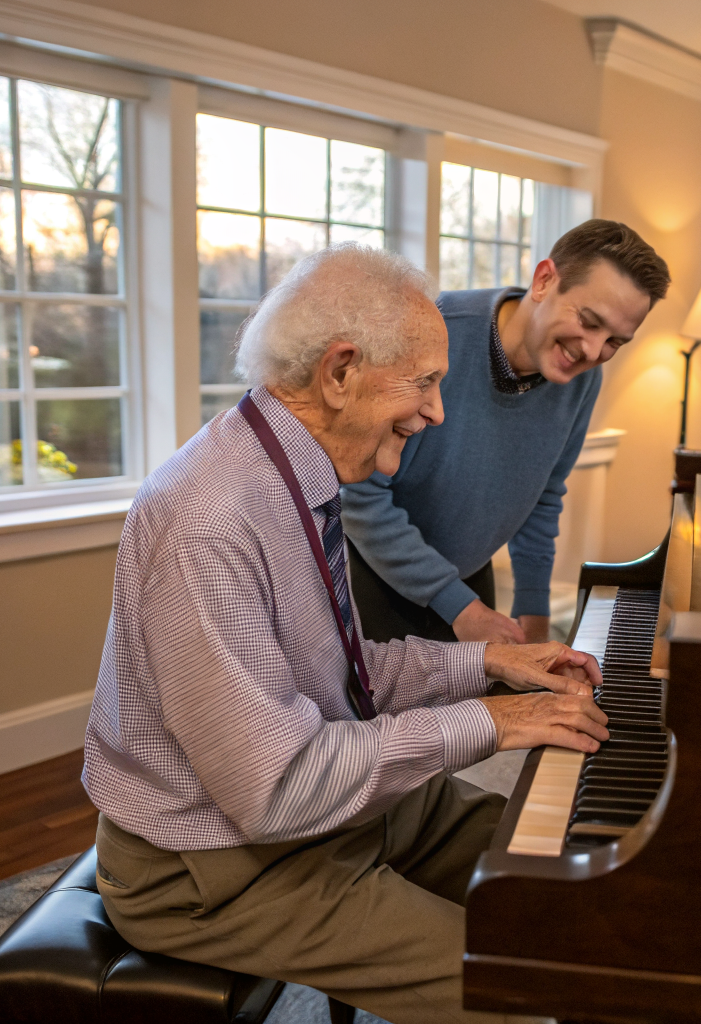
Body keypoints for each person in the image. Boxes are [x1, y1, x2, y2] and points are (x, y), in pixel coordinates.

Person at [82, 243, 610, 1024]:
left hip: (308, 816)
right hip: (214, 868)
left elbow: (339, 671)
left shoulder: (288, 470)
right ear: (339, 372)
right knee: (518, 991)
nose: (436, 411)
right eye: (425, 382)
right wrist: (492, 723)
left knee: (575, 872)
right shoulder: (208, 520)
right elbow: (280, 786)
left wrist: (488, 662)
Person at [341, 220, 670, 645]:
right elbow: (360, 496)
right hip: (371, 575)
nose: (592, 350)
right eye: (589, 321)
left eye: (614, 342)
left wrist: (533, 608)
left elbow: (543, 494)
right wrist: (456, 604)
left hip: (468, 578)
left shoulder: (582, 381)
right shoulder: (435, 334)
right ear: (545, 280)